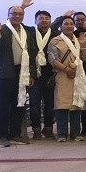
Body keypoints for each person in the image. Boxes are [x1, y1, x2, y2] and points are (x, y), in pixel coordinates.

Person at [0, 4, 38, 147]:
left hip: (22, 72)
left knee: (19, 105)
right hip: (4, 73)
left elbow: (32, 53)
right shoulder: (2, 30)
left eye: (20, 14)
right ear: (8, 15)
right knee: (2, 106)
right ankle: (1, 136)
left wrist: (31, 74)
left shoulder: (26, 32)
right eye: (14, 13)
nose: (17, 16)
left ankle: (15, 134)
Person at [47, 17, 86, 143]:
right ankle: (62, 134)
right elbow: (53, 59)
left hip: (77, 75)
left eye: (71, 24)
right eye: (66, 24)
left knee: (76, 104)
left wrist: (83, 45)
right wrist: (66, 69)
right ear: (61, 26)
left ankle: (76, 133)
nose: (69, 26)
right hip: (62, 75)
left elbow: (85, 58)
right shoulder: (55, 40)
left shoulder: (77, 40)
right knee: (62, 105)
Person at [29, 9, 57, 140]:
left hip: (51, 74)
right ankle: (36, 129)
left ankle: (48, 128)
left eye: (47, 18)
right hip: (34, 75)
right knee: (34, 104)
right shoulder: (30, 33)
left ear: (50, 21)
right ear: (35, 21)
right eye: (41, 18)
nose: (44, 21)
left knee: (50, 104)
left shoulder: (55, 34)